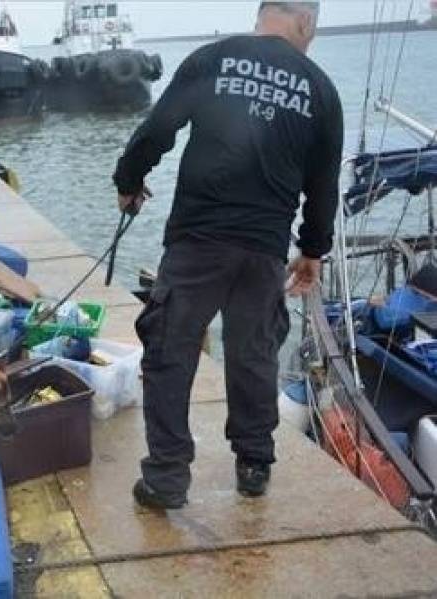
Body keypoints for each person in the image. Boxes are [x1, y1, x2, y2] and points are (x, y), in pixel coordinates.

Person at [113, 1, 343, 509]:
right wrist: (312, 250)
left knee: (170, 351)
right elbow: (323, 185)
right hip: (263, 249)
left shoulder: (212, 59)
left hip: (198, 240)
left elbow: (157, 130)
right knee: (254, 353)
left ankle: (167, 477)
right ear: (305, 23)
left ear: (264, 16)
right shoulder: (321, 89)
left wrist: (128, 181)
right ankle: (254, 463)